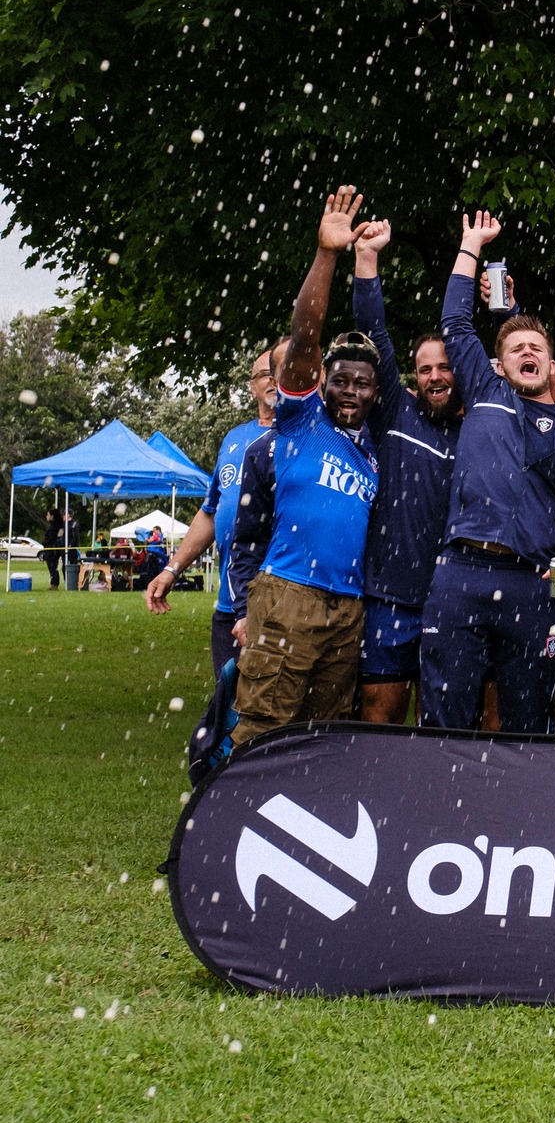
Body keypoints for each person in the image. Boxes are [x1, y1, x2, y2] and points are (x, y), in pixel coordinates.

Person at [419, 210, 555, 734]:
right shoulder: (484, 392)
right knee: (445, 714)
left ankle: (517, 813)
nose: (528, 353)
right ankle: (438, 813)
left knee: (526, 722)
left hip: (535, 583)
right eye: (516, 348)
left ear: (550, 363)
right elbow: (455, 322)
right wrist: (470, 244)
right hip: (460, 572)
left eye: (537, 348)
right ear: (498, 365)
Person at [230, 188, 382, 745]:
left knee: (325, 733)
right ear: (322, 382)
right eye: (339, 378)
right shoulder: (301, 422)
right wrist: (327, 255)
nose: (349, 389)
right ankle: (235, 824)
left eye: (361, 383)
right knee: (264, 726)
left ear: (373, 392)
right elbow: (305, 335)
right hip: (288, 592)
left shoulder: (372, 454)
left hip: (348, 608)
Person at [349, 221, 463, 724]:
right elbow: (373, 335)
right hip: (389, 597)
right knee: (381, 718)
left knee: (445, 724)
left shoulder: (481, 427)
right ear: (413, 377)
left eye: (444, 366)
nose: (435, 376)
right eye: (425, 369)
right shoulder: (396, 411)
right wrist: (367, 260)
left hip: (451, 599)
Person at [147, 340, 287, 675]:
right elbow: (211, 512)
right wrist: (172, 569)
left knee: (276, 714)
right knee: (229, 705)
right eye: (264, 374)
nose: (272, 380)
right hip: (231, 604)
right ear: (252, 386)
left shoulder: (304, 436)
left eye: (278, 372)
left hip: (283, 603)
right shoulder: (234, 439)